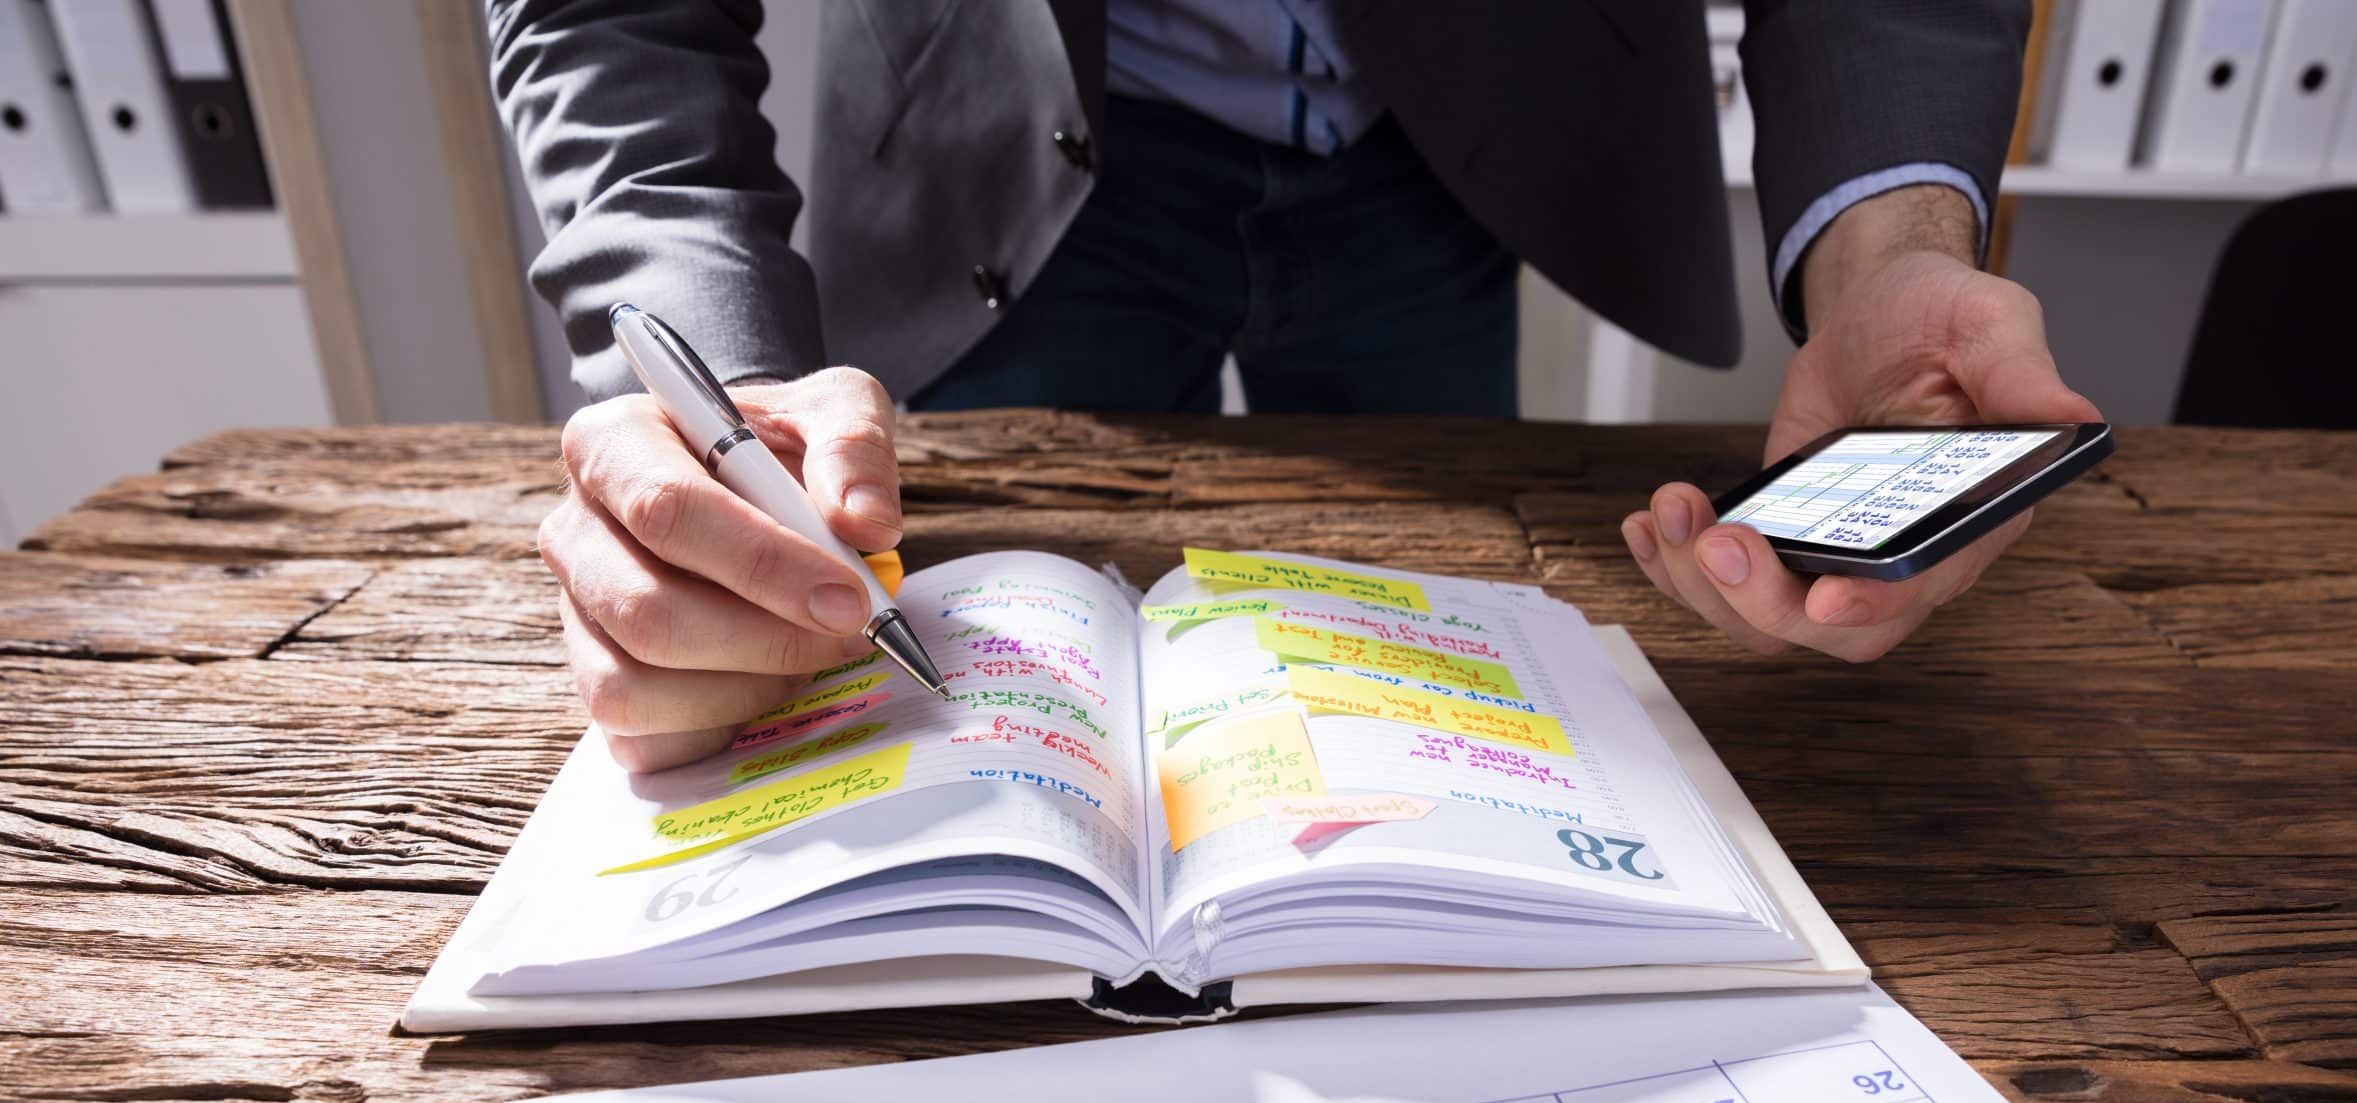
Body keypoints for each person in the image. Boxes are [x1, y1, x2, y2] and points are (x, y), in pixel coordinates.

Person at [491, 0, 2097, 772]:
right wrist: (722, 387)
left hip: (1454, 146)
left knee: (1441, 702)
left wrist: (1889, 246)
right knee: (894, 652)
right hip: (1019, 126)